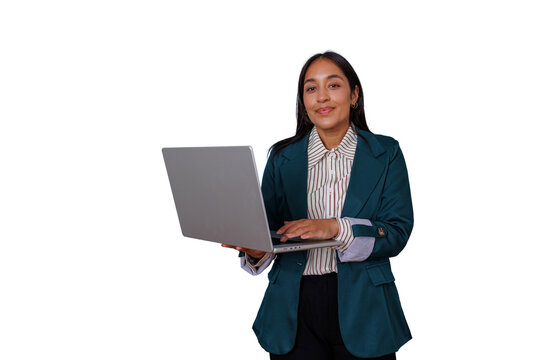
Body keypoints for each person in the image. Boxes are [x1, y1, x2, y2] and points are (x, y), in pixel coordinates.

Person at [222, 51, 414, 360]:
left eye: (333, 85)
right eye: (311, 88)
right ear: (303, 101)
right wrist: (256, 250)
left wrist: (334, 227)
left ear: (354, 95)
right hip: (293, 308)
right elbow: (267, 230)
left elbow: (396, 232)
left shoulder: (385, 152)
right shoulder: (282, 158)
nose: (322, 97)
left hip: (365, 305)